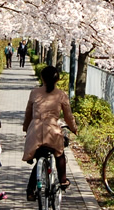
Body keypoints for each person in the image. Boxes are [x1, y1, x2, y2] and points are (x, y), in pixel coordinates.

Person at [22, 66, 77, 201]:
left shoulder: (34, 93)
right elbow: (68, 116)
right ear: (57, 79)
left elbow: (28, 113)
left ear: (42, 78)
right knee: (59, 153)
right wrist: (74, 128)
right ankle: (63, 180)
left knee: (39, 158)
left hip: (35, 131)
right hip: (52, 130)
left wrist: (26, 128)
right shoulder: (61, 95)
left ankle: (30, 190)